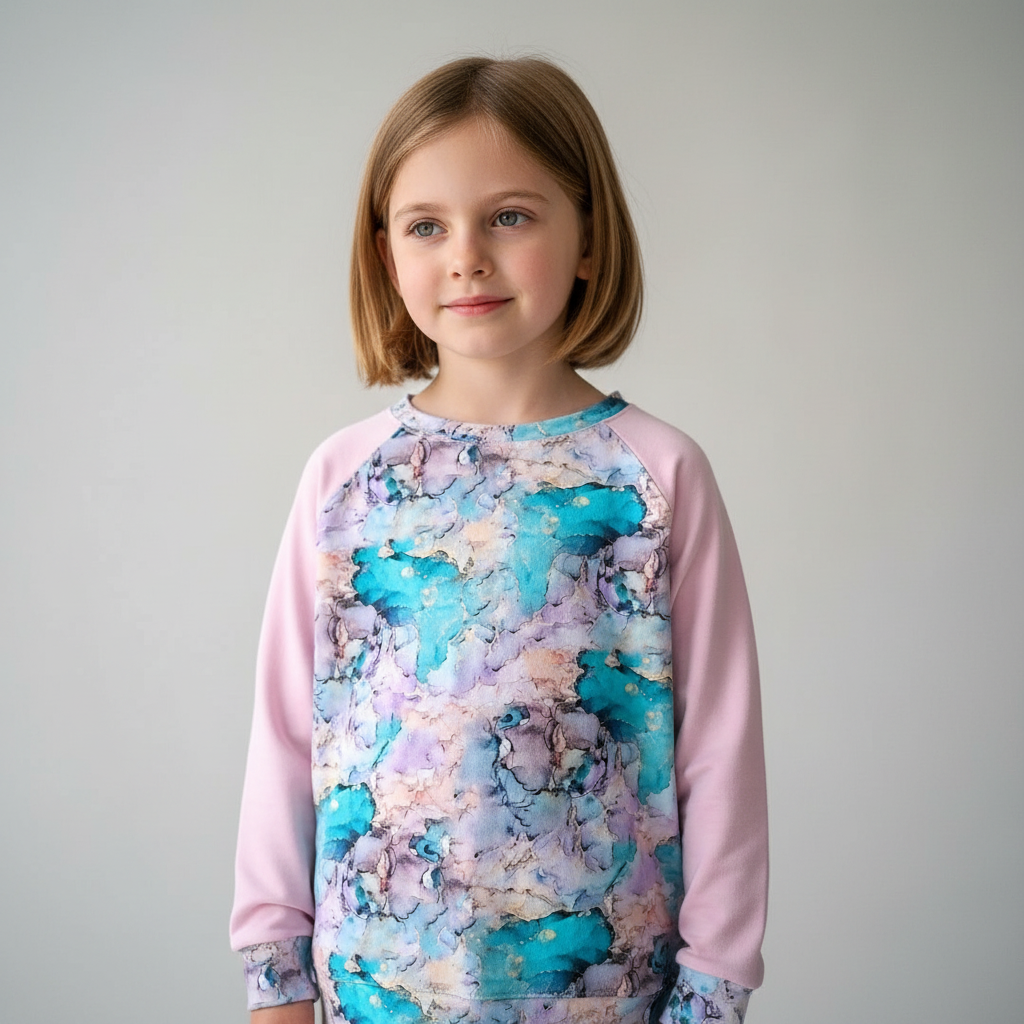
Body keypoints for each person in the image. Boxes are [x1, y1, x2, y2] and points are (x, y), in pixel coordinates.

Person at [230, 55, 768, 1024]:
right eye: (426, 225)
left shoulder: (656, 473)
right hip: (374, 989)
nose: (465, 255)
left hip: (604, 993)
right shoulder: (344, 476)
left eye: (509, 217)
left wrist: (714, 989)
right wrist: (275, 972)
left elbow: (717, 748)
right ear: (385, 251)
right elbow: (285, 731)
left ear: (589, 238)